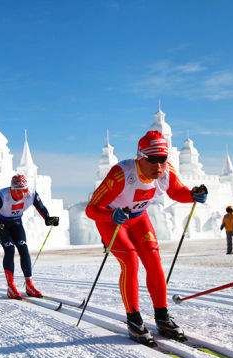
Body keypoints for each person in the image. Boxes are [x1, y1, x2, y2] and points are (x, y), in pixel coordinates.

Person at [85, 130, 208, 345]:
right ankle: (134, 320)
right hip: (113, 221)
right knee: (130, 262)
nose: (159, 167)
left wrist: (192, 195)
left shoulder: (165, 171)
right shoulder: (121, 173)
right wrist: (110, 214)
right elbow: (91, 209)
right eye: (153, 161)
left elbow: (177, 191)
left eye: (163, 160)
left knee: (153, 260)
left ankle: (162, 317)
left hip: (139, 219)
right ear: (140, 157)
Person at [0, 174, 59, 300]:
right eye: (19, 191)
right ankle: (11, 287)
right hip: (1, 224)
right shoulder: (3, 195)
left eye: (24, 190)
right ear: (12, 189)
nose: (22, 194)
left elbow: (41, 208)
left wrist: (48, 219)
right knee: (10, 249)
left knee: (23, 248)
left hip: (16, 222)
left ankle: (29, 285)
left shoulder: (31, 194)